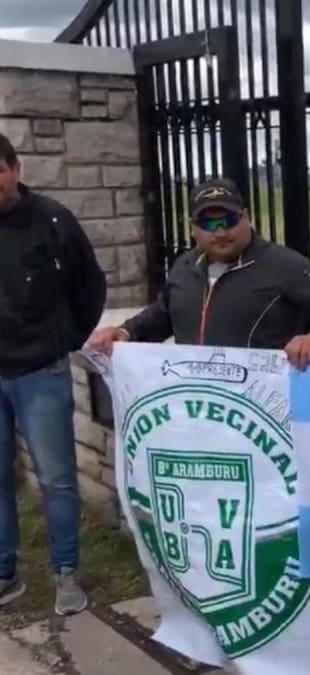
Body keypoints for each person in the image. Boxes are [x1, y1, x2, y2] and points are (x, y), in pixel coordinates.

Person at [87, 178, 310, 369]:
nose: (220, 232)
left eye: (228, 221)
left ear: (245, 217)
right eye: (208, 223)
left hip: (264, 413)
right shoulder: (185, 266)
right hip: (200, 406)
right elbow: (164, 314)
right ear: (193, 229)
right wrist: (125, 331)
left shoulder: (284, 264)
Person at [0, 132, 106, 616]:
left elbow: (89, 284)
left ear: (15, 169)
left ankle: (66, 572)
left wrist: (65, 339)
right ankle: (6, 573)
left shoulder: (53, 220)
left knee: (57, 478)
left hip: (41, 369)